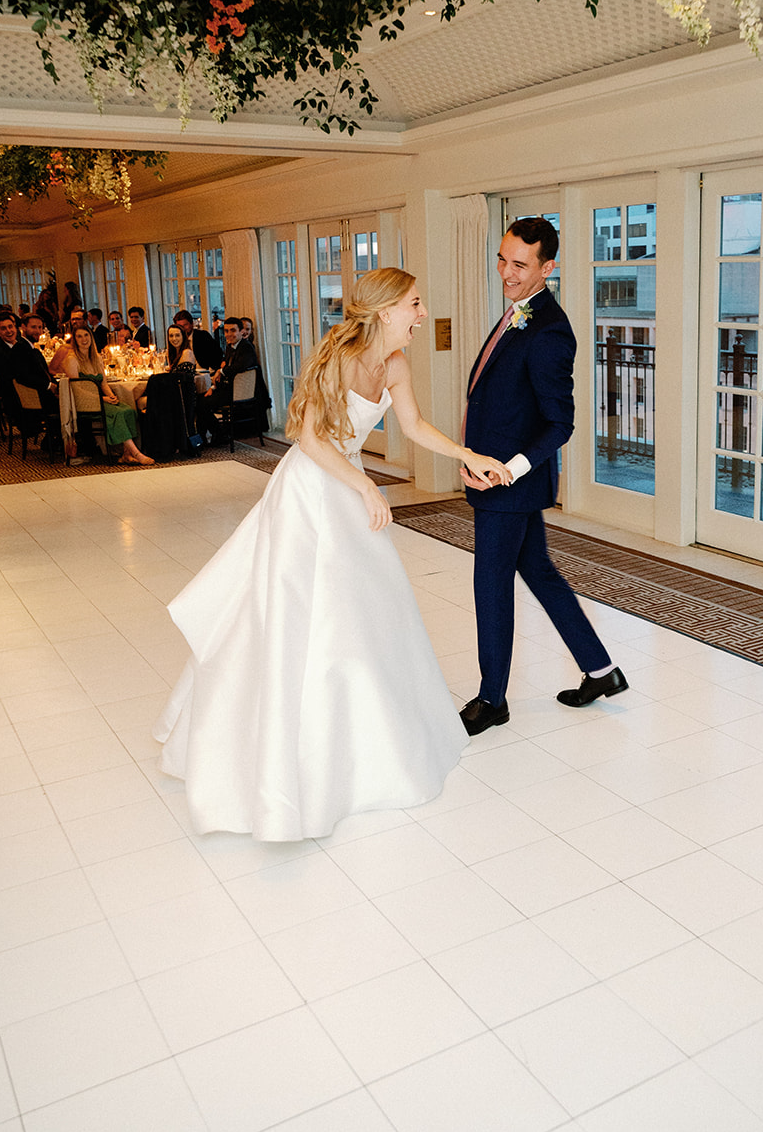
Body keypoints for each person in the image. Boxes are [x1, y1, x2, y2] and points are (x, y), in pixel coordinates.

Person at [155, 267, 511, 842]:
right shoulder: (338, 356)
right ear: (386, 310)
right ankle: (276, 754)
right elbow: (310, 437)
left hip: (348, 490)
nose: (423, 315)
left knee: (362, 612)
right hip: (311, 489)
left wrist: (466, 453)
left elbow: (414, 424)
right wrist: (365, 485)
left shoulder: (394, 363)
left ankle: (362, 744)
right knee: (293, 616)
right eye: (415, 304)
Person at [458, 217, 628, 736]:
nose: (506, 273)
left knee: (491, 586)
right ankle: (601, 670)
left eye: (519, 265)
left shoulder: (550, 330)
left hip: (507, 487)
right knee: (540, 572)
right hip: (503, 480)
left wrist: (506, 470)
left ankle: (493, 700)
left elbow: (561, 423)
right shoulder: (521, 312)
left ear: (546, 268)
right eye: (503, 259)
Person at [62, 322, 153, 465]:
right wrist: (103, 399)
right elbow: (77, 389)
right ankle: (137, 453)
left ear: (91, 337)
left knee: (128, 410)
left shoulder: (96, 358)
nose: (84, 339)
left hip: (100, 398)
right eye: (79, 336)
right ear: (75, 339)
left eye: (86, 335)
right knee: (117, 413)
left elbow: (103, 383)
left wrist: (111, 396)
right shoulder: (71, 359)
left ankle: (126, 454)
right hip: (84, 402)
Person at [199, 316, 260, 442]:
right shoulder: (230, 347)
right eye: (226, 331)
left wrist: (221, 370)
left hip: (238, 392)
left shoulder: (246, 347)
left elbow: (240, 366)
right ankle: (212, 435)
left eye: (232, 330)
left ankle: (216, 435)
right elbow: (223, 370)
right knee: (198, 399)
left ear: (241, 332)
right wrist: (213, 387)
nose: (229, 334)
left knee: (202, 404)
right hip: (226, 388)